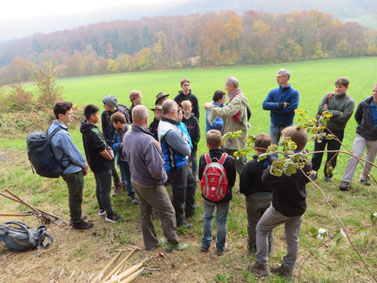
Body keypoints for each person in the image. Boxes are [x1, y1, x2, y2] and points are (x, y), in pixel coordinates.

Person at [122, 105, 189, 252]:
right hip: (150, 185)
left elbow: (126, 155)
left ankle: (150, 242)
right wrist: (164, 178)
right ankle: (173, 242)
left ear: (133, 119)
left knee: (145, 213)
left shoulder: (127, 135)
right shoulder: (149, 142)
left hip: (136, 180)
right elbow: (157, 171)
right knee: (168, 212)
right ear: (146, 120)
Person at [250, 126, 311, 278]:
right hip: (298, 208)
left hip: (280, 208)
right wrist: (276, 159)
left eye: (283, 141)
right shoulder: (307, 161)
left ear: (289, 145)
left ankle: (261, 264)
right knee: (293, 238)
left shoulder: (284, 165)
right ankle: (287, 269)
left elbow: (265, 178)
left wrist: (272, 161)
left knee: (261, 229)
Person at [48, 102, 93, 230]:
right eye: (70, 113)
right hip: (71, 170)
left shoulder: (52, 128)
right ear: (61, 115)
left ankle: (75, 216)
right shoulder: (62, 134)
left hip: (63, 168)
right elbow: (73, 154)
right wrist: (84, 165)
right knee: (76, 196)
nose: (73, 115)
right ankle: (77, 222)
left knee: (73, 194)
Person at [81, 104, 123, 223]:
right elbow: (102, 150)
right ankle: (109, 214)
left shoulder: (86, 128)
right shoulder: (93, 132)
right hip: (102, 165)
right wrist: (110, 157)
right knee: (105, 190)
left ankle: (102, 209)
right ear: (92, 116)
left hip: (94, 164)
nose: (99, 117)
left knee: (99, 186)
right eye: (98, 114)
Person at [158, 99, 196, 228]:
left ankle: (190, 209)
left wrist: (183, 138)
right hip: (176, 167)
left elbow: (184, 139)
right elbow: (187, 149)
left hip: (182, 162)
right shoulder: (170, 130)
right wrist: (184, 138)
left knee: (191, 184)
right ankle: (179, 221)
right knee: (179, 194)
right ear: (174, 112)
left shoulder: (166, 122)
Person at [199, 130, 236, 256]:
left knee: (207, 217)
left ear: (207, 145)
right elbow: (232, 180)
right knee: (221, 221)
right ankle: (220, 247)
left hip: (208, 195)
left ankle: (205, 244)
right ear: (222, 143)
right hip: (224, 196)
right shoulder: (229, 159)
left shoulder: (203, 158)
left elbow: (201, 177)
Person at [311, 77, 355, 182]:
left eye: (340, 87)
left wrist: (327, 113)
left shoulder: (349, 102)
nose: (337, 89)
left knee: (332, 155)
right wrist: (336, 113)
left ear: (346, 87)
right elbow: (320, 110)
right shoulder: (328, 96)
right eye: (336, 86)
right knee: (317, 153)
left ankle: (328, 175)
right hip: (322, 130)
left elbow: (343, 119)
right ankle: (313, 173)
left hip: (337, 132)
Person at [204, 76, 249, 175]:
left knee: (239, 163)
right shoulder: (236, 97)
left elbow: (226, 112)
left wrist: (211, 107)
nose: (225, 88)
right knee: (228, 162)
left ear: (231, 85)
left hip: (235, 139)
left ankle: (247, 185)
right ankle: (226, 183)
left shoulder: (237, 99)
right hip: (232, 138)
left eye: (226, 86)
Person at [240, 133, 275, 254]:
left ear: (254, 147)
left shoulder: (249, 165)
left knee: (253, 223)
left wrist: (247, 194)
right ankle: (268, 247)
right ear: (270, 147)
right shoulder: (275, 163)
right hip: (271, 197)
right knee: (268, 224)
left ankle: (253, 247)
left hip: (253, 198)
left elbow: (243, 185)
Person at [339, 83, 377, 191]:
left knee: (370, 158)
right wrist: (364, 127)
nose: (375, 93)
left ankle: (364, 177)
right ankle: (346, 180)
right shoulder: (364, 104)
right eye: (374, 91)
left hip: (375, 137)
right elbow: (358, 117)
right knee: (356, 155)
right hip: (362, 134)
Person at [101, 94, 130, 194]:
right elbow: (104, 129)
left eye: (104, 104)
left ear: (109, 104)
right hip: (111, 143)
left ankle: (126, 182)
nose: (103, 106)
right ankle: (117, 182)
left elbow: (128, 126)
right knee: (112, 163)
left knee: (123, 161)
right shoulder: (104, 114)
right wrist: (106, 143)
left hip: (123, 141)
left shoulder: (123, 112)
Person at [262, 69, 299, 145]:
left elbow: (291, 109)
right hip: (274, 125)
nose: (277, 78)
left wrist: (274, 109)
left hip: (287, 127)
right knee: (272, 150)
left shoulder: (294, 93)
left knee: (288, 151)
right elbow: (264, 105)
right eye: (276, 77)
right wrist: (279, 105)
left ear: (286, 77)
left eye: (279, 77)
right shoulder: (273, 92)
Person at [110, 112, 138, 204]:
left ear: (118, 122)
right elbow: (113, 145)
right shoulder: (117, 132)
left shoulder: (132, 129)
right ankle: (132, 196)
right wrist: (120, 145)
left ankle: (141, 194)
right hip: (122, 160)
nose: (113, 125)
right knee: (126, 179)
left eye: (113, 123)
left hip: (133, 159)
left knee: (137, 177)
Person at [181, 100, 200, 177]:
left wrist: (194, 143)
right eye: (185, 109)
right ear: (182, 109)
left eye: (188, 109)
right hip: (183, 144)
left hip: (193, 145)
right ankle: (185, 174)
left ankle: (195, 173)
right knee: (184, 159)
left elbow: (197, 133)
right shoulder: (181, 120)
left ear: (191, 108)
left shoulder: (194, 120)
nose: (187, 111)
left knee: (194, 159)